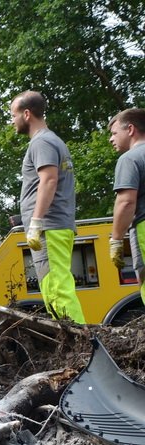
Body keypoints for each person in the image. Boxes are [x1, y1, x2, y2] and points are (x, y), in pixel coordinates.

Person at [11, 90, 85, 324]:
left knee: (56, 289)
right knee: (55, 287)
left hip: (49, 226)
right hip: (54, 225)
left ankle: (83, 346)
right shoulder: (51, 140)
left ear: (26, 114)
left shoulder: (41, 141)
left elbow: (49, 179)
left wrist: (36, 221)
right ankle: (79, 345)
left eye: (13, 115)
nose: (12, 121)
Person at [108, 108, 145, 305]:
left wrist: (116, 240)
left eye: (114, 133)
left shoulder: (130, 159)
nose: (111, 139)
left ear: (130, 129)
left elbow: (126, 202)